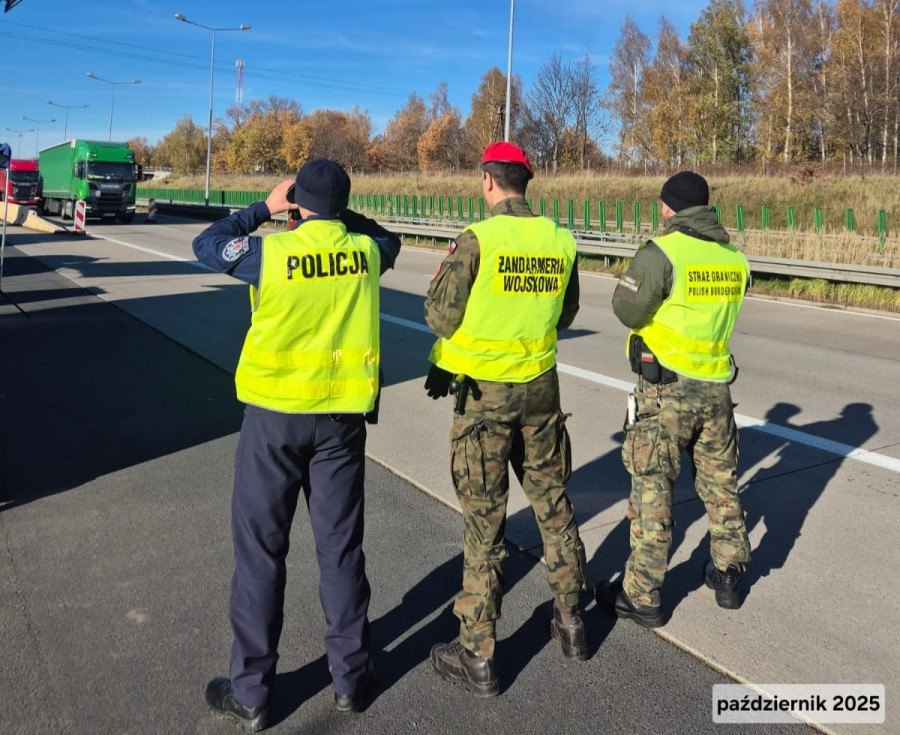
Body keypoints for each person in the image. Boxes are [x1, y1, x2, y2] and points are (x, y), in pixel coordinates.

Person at [192, 158, 401, 731]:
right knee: (340, 552)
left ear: (296, 201)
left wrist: (266, 208)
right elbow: (390, 239)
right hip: (340, 423)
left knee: (261, 553)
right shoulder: (366, 252)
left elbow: (207, 243)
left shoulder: (272, 253)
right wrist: (332, 213)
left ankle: (253, 694)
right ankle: (352, 681)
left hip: (274, 422)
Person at [424, 141, 588, 697]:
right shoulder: (559, 240)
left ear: (488, 181)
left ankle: (478, 652)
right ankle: (571, 620)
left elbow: (440, 317)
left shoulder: (478, 238)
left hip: (486, 402)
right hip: (541, 393)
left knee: (484, 523)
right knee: (553, 503)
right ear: (527, 182)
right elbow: (566, 313)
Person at [596, 170, 751, 629]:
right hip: (717, 389)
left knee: (652, 489)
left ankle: (642, 595)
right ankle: (727, 575)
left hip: (666, 392)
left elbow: (627, 309)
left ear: (669, 207)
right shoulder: (733, 258)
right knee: (722, 484)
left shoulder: (662, 251)